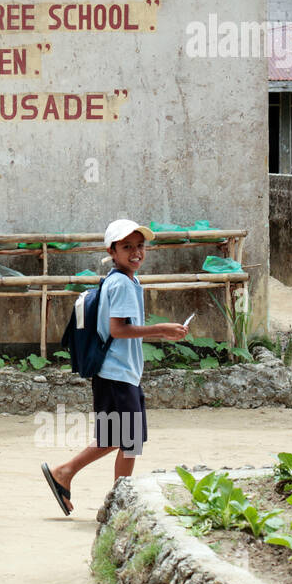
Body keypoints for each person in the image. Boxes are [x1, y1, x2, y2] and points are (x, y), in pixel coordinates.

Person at [41, 219, 188, 516]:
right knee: (128, 441)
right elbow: (118, 330)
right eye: (127, 247)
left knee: (121, 439)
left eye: (139, 246)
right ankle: (112, 500)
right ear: (112, 250)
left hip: (120, 373)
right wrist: (160, 330)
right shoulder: (122, 283)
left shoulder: (125, 280)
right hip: (117, 373)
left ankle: (69, 475)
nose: (135, 252)